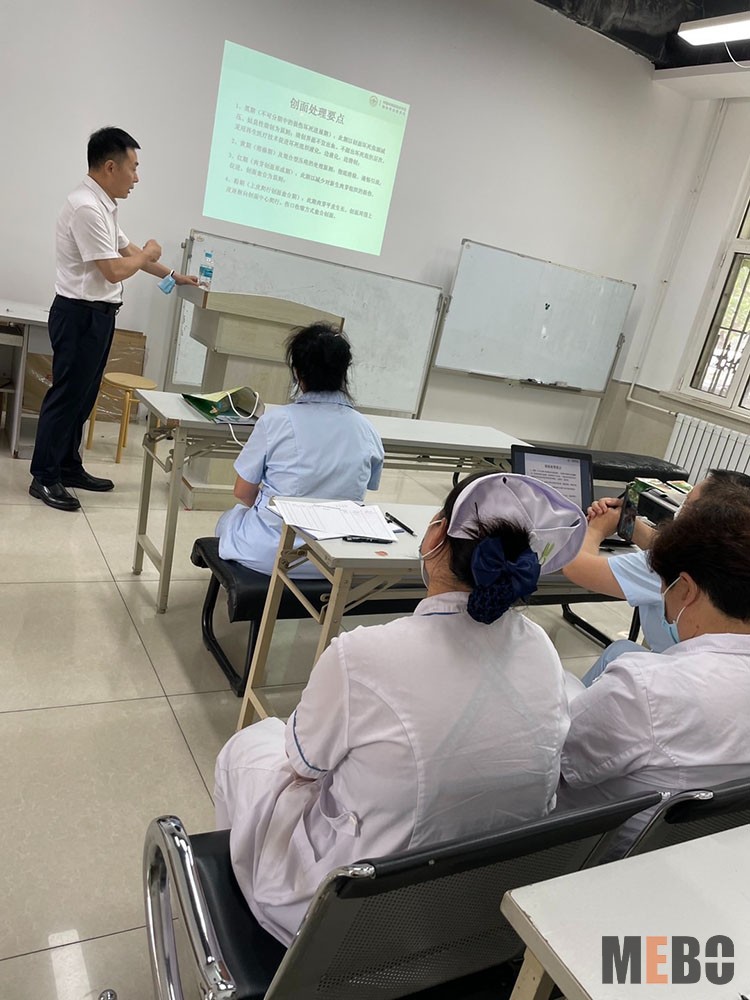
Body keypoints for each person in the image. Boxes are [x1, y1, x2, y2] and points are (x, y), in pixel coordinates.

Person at [214, 471, 587, 944]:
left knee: (249, 746)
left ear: (435, 535)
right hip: (476, 911)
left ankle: (233, 914)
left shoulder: (361, 655)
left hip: (349, 922)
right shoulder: (541, 648)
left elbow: (305, 764)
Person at [560, 496, 750, 854]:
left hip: (592, 859)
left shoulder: (646, 689)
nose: (663, 601)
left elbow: (549, 764)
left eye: (665, 589)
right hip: (698, 859)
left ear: (686, 590)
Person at [30, 126, 197, 512]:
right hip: (79, 314)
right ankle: (44, 476)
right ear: (110, 166)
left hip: (98, 317)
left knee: (83, 397)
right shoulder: (86, 207)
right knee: (66, 396)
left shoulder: (102, 204)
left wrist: (173, 274)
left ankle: (67, 466)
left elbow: (128, 250)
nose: (136, 178)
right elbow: (114, 270)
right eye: (133, 168)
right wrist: (148, 253)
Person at [215, 322, 384, 577]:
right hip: (334, 561)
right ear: (344, 372)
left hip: (272, 556)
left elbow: (243, 492)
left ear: (297, 372)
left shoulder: (275, 421)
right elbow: (361, 491)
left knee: (228, 520)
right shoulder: (367, 430)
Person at [562, 468, 750, 684]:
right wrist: (628, 521)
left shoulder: (673, 569)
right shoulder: (732, 558)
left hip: (681, 676)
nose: (679, 510)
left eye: (687, 504)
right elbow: (663, 545)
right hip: (715, 672)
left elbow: (576, 567)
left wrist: (596, 529)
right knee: (620, 650)